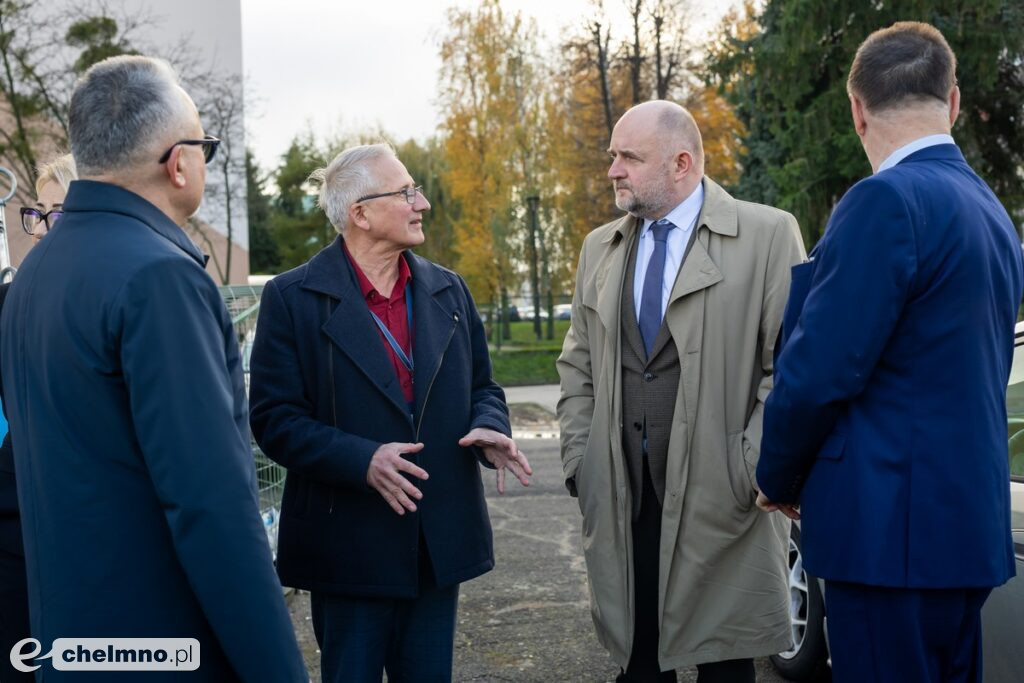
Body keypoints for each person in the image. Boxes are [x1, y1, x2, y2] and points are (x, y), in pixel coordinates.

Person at [0, 55, 307, 681]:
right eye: (205, 146)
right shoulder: (160, 276)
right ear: (179, 162)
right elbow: (211, 506)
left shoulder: (36, 272)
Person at [756, 22, 1024, 683]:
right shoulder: (991, 210)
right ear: (953, 101)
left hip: (888, 533)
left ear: (856, 108)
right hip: (965, 528)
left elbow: (821, 368)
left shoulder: (885, 201)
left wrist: (778, 475)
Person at [248, 143, 532, 683]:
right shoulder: (292, 298)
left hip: (435, 539)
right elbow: (274, 420)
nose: (421, 202)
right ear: (360, 213)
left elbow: (483, 387)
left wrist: (490, 426)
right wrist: (362, 460)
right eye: (405, 192)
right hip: (348, 545)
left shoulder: (449, 289)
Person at [556, 99, 805, 682]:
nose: (613, 169)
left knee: (726, 664)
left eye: (628, 157)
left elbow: (790, 367)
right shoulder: (600, 246)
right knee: (638, 662)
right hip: (623, 492)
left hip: (726, 497)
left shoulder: (768, 234)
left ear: (682, 163)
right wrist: (580, 461)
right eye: (612, 156)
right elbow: (579, 362)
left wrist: (754, 467)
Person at [0, 153, 76, 682]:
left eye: (60, 212)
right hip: (13, 530)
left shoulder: (119, 299)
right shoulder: (8, 301)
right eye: (39, 212)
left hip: (83, 533)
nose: (44, 228)